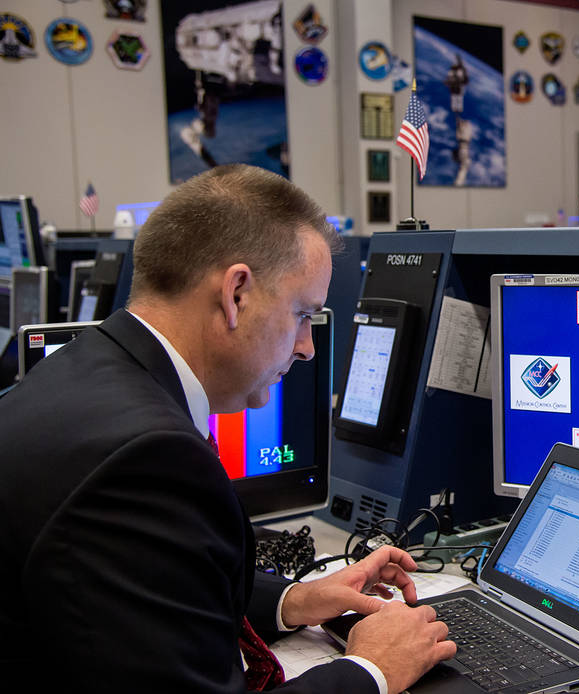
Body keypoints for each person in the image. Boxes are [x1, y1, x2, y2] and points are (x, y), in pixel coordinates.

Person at [0, 164, 456, 693]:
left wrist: (295, 600)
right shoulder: (146, 460)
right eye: (303, 315)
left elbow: (155, 594)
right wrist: (371, 668)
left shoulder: (87, 370)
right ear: (236, 293)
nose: (308, 347)